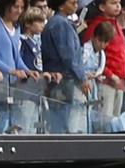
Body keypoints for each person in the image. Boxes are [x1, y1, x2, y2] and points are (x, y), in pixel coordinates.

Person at [81, 0, 125, 119]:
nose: (118, 6)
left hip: (118, 82)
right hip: (104, 81)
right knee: (104, 121)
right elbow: (91, 55)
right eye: (113, 3)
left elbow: (119, 54)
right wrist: (109, 74)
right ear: (102, 7)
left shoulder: (116, 24)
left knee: (115, 121)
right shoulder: (97, 26)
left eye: (119, 2)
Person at [42, 0, 84, 129]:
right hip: (63, 80)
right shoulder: (60, 24)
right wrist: (82, 78)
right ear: (61, 5)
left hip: (63, 79)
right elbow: (68, 56)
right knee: (62, 122)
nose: (76, 5)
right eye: (72, 3)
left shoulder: (63, 22)